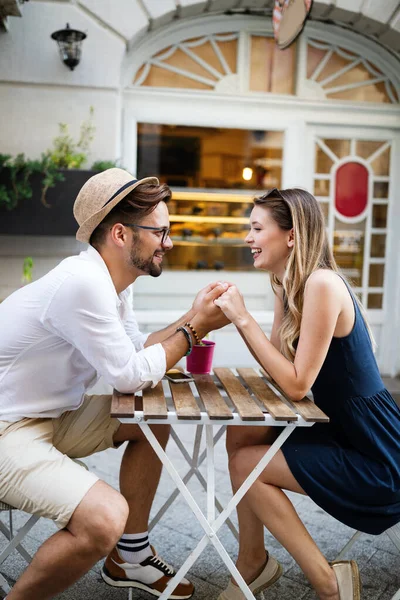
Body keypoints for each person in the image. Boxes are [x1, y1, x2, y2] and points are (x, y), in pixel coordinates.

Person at [0, 168, 230, 600]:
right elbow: (128, 374)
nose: (170, 242)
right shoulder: (83, 284)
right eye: (160, 232)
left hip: (48, 418)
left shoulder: (113, 285)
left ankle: (132, 557)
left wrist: (192, 315)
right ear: (121, 234)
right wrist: (195, 328)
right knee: (105, 518)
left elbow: (136, 350)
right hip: (5, 431)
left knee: (150, 417)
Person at [213, 188, 400, 600]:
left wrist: (243, 319)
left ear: (292, 236)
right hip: (344, 432)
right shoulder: (290, 284)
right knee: (241, 435)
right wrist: (266, 307)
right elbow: (280, 369)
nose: (248, 237)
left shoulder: (323, 284)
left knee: (247, 464)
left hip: (377, 455)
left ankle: (329, 584)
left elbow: (296, 384)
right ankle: (253, 560)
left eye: (257, 228)